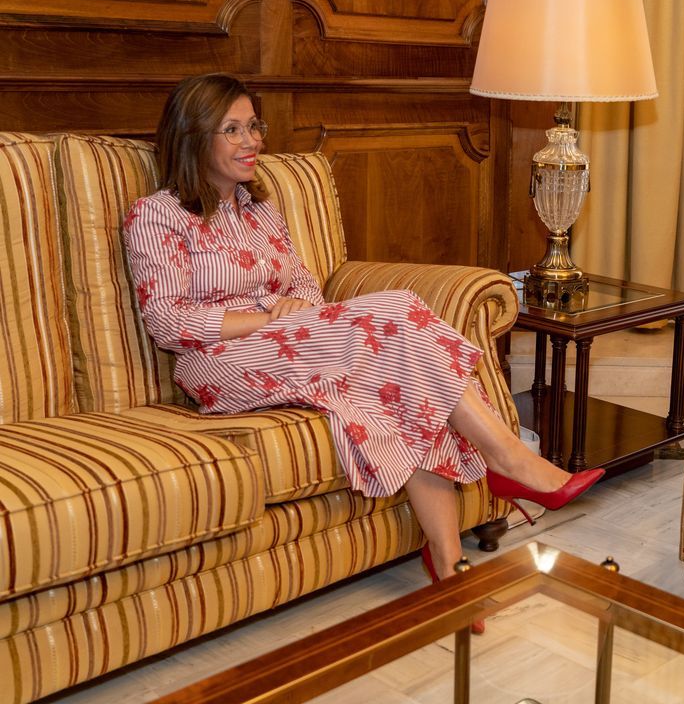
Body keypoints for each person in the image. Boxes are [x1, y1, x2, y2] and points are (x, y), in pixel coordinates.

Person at [123, 72, 603, 605]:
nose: (251, 140)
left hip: (294, 342)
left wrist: (295, 307)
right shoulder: (158, 216)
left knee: (402, 384)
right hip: (220, 361)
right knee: (399, 310)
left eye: (254, 126)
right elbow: (168, 321)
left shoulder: (259, 209)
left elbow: (305, 286)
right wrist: (268, 317)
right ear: (193, 137)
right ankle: (509, 460)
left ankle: (449, 564)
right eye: (232, 130)